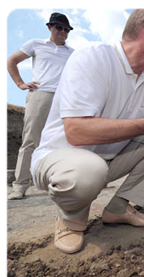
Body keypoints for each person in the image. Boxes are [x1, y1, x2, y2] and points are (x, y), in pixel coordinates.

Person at [30, 8, 144, 254]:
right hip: (58, 160)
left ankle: (119, 208)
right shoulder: (93, 58)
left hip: (102, 162)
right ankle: (70, 219)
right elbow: (76, 132)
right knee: (88, 170)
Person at [6, 12, 74, 200]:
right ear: (50, 27)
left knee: (63, 141)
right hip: (41, 95)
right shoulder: (36, 44)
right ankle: (20, 186)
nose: (63, 31)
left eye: (66, 29)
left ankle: (60, 182)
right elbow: (11, 61)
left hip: (64, 99)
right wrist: (20, 83)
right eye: (59, 27)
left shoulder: (72, 54)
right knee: (31, 140)